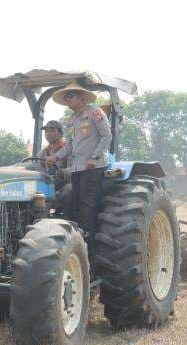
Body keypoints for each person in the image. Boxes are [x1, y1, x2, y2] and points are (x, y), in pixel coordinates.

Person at [46, 82, 111, 246]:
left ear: (82, 97)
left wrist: (94, 158)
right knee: (72, 201)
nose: (68, 100)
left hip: (93, 166)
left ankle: (88, 238)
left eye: (71, 96)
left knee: (86, 203)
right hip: (77, 168)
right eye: (66, 97)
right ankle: (73, 238)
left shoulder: (95, 113)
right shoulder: (72, 120)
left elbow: (106, 136)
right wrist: (56, 156)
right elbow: (69, 144)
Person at [38, 120, 72, 216]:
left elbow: (74, 168)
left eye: (52, 131)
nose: (48, 134)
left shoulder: (68, 149)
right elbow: (36, 167)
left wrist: (62, 172)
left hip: (63, 183)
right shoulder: (43, 152)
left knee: (69, 189)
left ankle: (67, 218)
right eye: (47, 131)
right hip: (47, 183)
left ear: (60, 133)